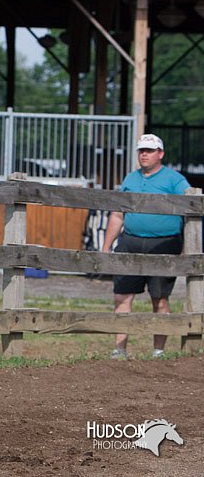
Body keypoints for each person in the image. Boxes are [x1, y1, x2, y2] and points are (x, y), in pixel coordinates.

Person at [101, 133, 190, 360]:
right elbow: (118, 214)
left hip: (164, 243)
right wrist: (106, 246)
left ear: (160, 154)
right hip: (130, 241)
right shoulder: (130, 179)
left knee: (159, 298)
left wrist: (187, 246)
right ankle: (119, 349)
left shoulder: (174, 180)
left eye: (149, 151)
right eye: (141, 150)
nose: (144, 154)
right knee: (122, 296)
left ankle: (158, 351)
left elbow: (191, 208)